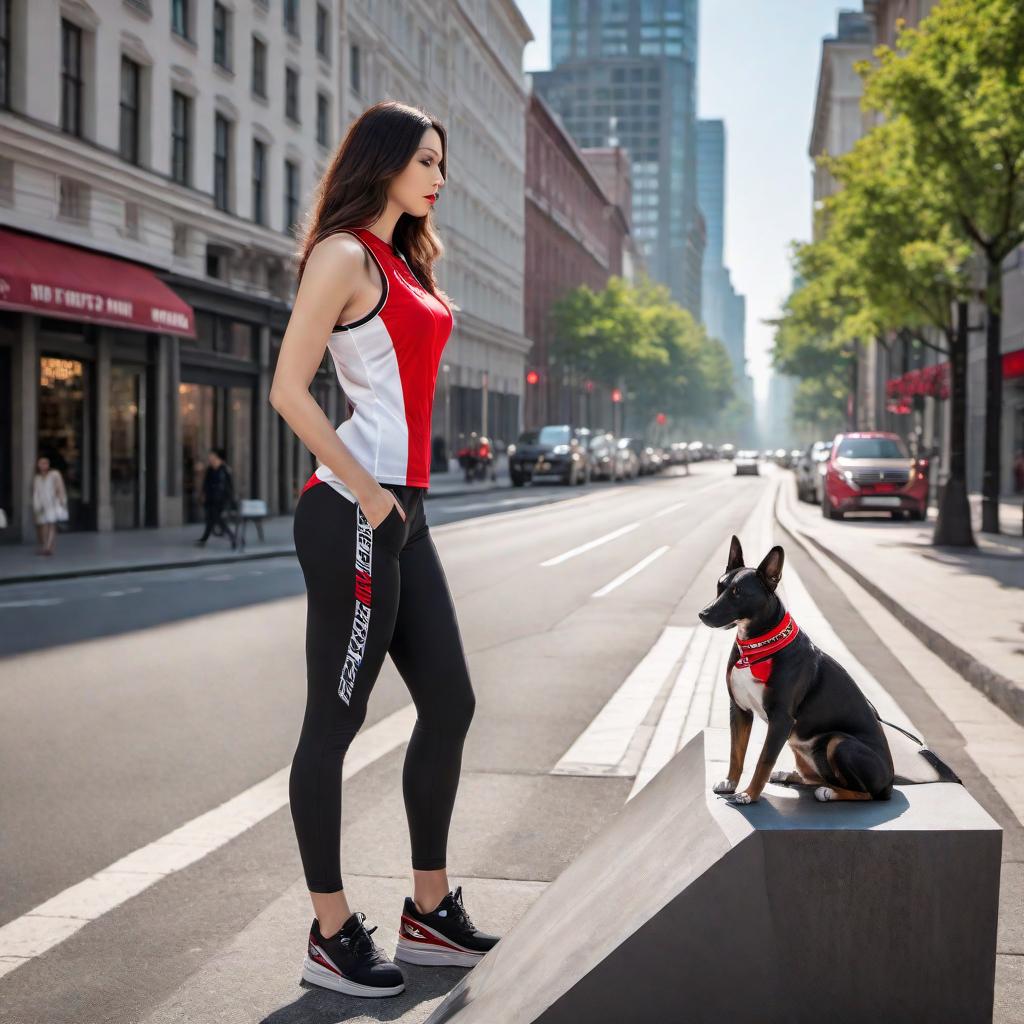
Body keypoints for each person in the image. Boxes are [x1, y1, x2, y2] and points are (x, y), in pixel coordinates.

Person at [269, 100, 498, 999]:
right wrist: (367, 493)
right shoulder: (343, 256)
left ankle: (428, 910)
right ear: (386, 161)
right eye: (427, 162)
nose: (439, 179)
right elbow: (291, 387)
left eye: (443, 164)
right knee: (335, 721)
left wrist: (395, 504)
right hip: (354, 512)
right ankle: (330, 931)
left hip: (408, 513)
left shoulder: (404, 258)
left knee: (451, 702)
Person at [195, 448, 237, 548]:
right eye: (210, 455)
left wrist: (229, 499)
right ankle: (204, 539)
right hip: (210, 498)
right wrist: (203, 495)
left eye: (212, 455)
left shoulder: (225, 469)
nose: (210, 457)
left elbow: (229, 486)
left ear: (218, 457)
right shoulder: (210, 469)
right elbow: (206, 483)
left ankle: (232, 537)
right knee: (211, 519)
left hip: (220, 500)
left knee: (217, 519)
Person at [32, 455, 67, 556]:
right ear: (38, 465)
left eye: (45, 463)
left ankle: (48, 547)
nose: (43, 465)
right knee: (43, 525)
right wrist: (36, 505)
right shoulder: (37, 478)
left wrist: (61, 501)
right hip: (42, 504)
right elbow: (36, 493)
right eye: (41, 463)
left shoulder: (54, 474)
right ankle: (45, 546)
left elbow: (60, 487)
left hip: (52, 503)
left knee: (51, 524)